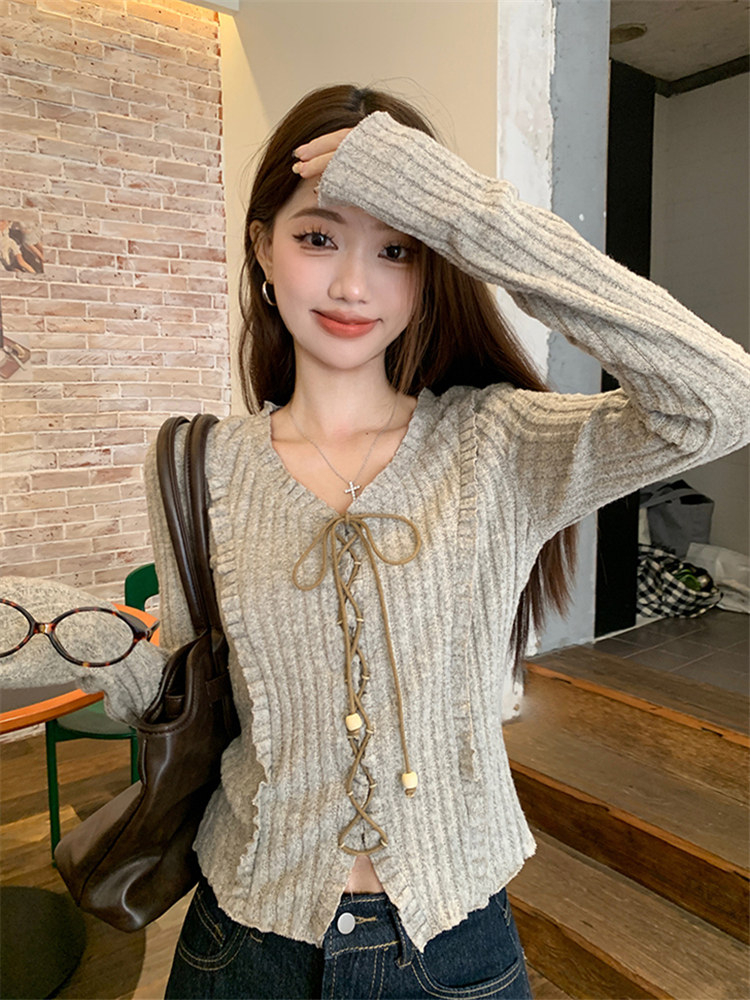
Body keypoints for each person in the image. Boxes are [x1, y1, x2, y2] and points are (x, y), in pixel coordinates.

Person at [2, 83, 750, 998]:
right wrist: (74, 635)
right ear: (262, 247)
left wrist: (462, 210)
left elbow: (720, 401)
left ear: (431, 266)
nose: (354, 285)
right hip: (244, 945)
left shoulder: (497, 443)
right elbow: (193, 688)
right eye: (318, 238)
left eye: (396, 249)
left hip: (455, 950)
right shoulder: (197, 464)